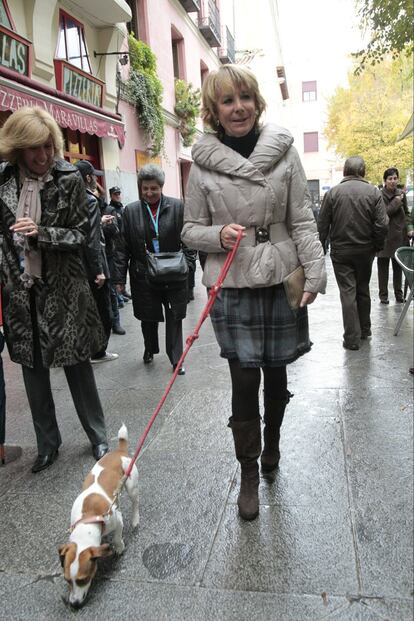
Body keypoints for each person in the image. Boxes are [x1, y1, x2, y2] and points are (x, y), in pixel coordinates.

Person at [182, 64, 326, 521]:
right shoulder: (202, 164)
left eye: (244, 97)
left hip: (280, 274)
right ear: (214, 111)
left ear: (256, 102)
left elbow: (301, 217)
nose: (238, 107)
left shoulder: (284, 152)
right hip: (234, 280)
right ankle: (248, 469)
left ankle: (274, 445)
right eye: (227, 100)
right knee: (244, 378)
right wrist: (216, 235)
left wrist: (316, 271)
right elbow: (188, 229)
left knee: (277, 373)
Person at [0, 106, 109, 472]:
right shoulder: (3, 182)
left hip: (64, 290)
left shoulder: (68, 178)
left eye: (48, 146)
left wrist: (42, 234)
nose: (43, 156)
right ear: (18, 148)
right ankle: (47, 444)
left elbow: (81, 234)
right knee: (33, 371)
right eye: (34, 148)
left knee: (78, 365)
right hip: (20, 291)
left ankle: (98, 435)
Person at [114, 164, 196, 375]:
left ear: (161, 187)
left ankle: (177, 358)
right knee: (147, 317)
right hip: (143, 274)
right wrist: (119, 278)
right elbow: (122, 248)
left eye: (154, 188)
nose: (149, 193)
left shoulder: (178, 207)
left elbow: (189, 240)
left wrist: (187, 265)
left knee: (175, 316)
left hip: (174, 272)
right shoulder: (130, 211)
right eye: (145, 188)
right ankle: (149, 348)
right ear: (140, 188)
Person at [317, 156, 389, 350]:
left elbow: (322, 224)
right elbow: (382, 224)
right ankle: (365, 330)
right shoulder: (374, 193)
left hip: (341, 251)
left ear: (345, 172)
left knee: (347, 292)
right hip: (365, 250)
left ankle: (351, 338)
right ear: (363, 172)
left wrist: (320, 249)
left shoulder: (333, 194)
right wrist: (377, 245)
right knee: (363, 288)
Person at [74, 160, 119, 363]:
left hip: (77, 267)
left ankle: (83, 349)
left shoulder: (72, 198)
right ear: (88, 178)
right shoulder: (90, 201)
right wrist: (99, 270)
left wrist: (99, 222)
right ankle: (98, 351)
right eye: (94, 176)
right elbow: (91, 238)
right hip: (93, 266)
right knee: (104, 313)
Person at [377, 168, 409, 304]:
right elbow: (384, 214)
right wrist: (396, 201)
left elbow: (407, 214)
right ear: (385, 181)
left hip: (399, 235)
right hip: (384, 236)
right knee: (383, 268)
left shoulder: (402, 194)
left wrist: (409, 229)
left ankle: (398, 295)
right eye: (390, 179)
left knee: (398, 268)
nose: (393, 181)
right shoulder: (379, 195)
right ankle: (383, 296)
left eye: (395, 178)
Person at [103, 186, 127, 335]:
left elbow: (117, 230)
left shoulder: (116, 209)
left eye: (119, 193)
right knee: (109, 290)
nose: (118, 196)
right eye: (115, 194)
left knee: (112, 288)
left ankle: (115, 322)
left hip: (113, 251)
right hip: (106, 252)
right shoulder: (108, 208)